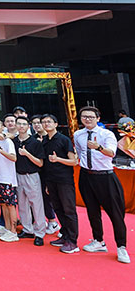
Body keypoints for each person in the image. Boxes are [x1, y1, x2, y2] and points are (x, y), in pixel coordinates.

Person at [74, 106, 130, 264]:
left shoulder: (106, 134)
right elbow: (80, 152)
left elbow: (112, 153)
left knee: (115, 213)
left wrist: (98, 147)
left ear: (98, 118)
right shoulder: (78, 134)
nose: (87, 119)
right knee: (92, 210)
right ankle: (98, 241)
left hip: (105, 176)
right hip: (86, 176)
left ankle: (121, 247)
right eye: (84, 117)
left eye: (91, 117)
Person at [41, 113, 80, 254]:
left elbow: (74, 161)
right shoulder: (45, 140)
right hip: (51, 180)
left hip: (64, 180)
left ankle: (73, 241)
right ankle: (65, 235)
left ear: (56, 124)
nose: (46, 124)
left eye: (49, 121)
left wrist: (58, 159)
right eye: (44, 122)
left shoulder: (64, 140)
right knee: (58, 208)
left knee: (69, 210)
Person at [13, 116, 46, 246]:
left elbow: (40, 163)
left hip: (31, 176)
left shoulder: (35, 142)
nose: (21, 126)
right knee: (22, 204)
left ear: (28, 126)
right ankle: (27, 229)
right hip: (17, 175)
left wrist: (27, 154)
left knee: (36, 205)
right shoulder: (14, 141)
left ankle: (40, 233)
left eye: (24, 124)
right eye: (19, 124)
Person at [0, 117, 18, 243]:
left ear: (2, 127)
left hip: (8, 179)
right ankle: (7, 228)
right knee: (2, 204)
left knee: (10, 205)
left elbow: (13, 158)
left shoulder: (8, 141)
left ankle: (13, 231)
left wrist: (0, 151)